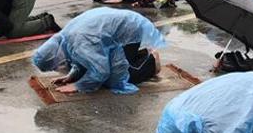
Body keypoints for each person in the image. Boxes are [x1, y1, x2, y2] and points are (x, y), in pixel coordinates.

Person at [32, 8, 165, 94]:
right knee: (89, 70)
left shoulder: (79, 44)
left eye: (55, 66)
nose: (57, 68)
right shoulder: (63, 40)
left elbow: (102, 71)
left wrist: (78, 86)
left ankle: (151, 62)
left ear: (56, 58)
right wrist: (72, 75)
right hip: (117, 26)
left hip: (129, 29)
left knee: (115, 80)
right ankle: (137, 54)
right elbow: (81, 58)